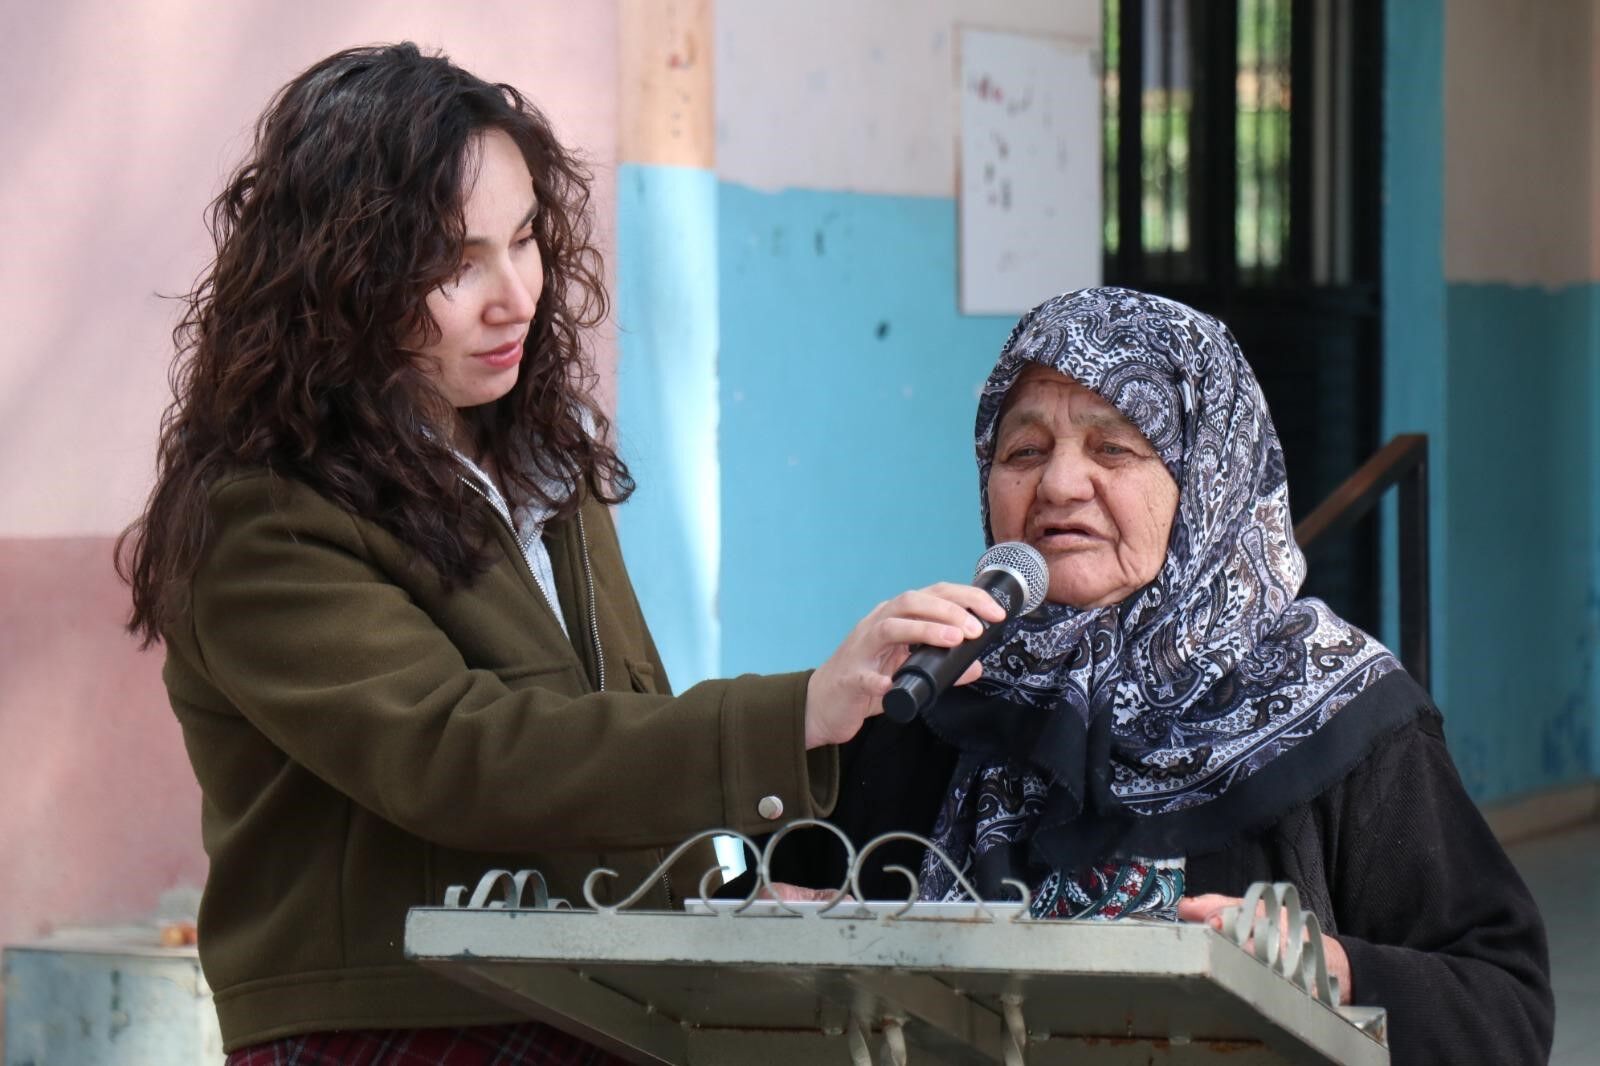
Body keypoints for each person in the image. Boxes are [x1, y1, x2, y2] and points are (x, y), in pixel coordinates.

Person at [115, 43, 1003, 1063]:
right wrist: (795, 710)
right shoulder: (262, 515)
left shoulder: (540, 463)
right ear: (340, 279)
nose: (514, 295)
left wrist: (718, 904)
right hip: (394, 1020)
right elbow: (462, 756)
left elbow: (605, 739)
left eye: (527, 239)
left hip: (593, 997)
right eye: (454, 261)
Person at [777, 287, 1554, 1064]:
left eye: (1113, 448)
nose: (1058, 486)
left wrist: (1341, 973)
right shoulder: (933, 695)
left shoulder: (1342, 709)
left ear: (1209, 478)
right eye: (1024, 451)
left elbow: (1503, 1005)